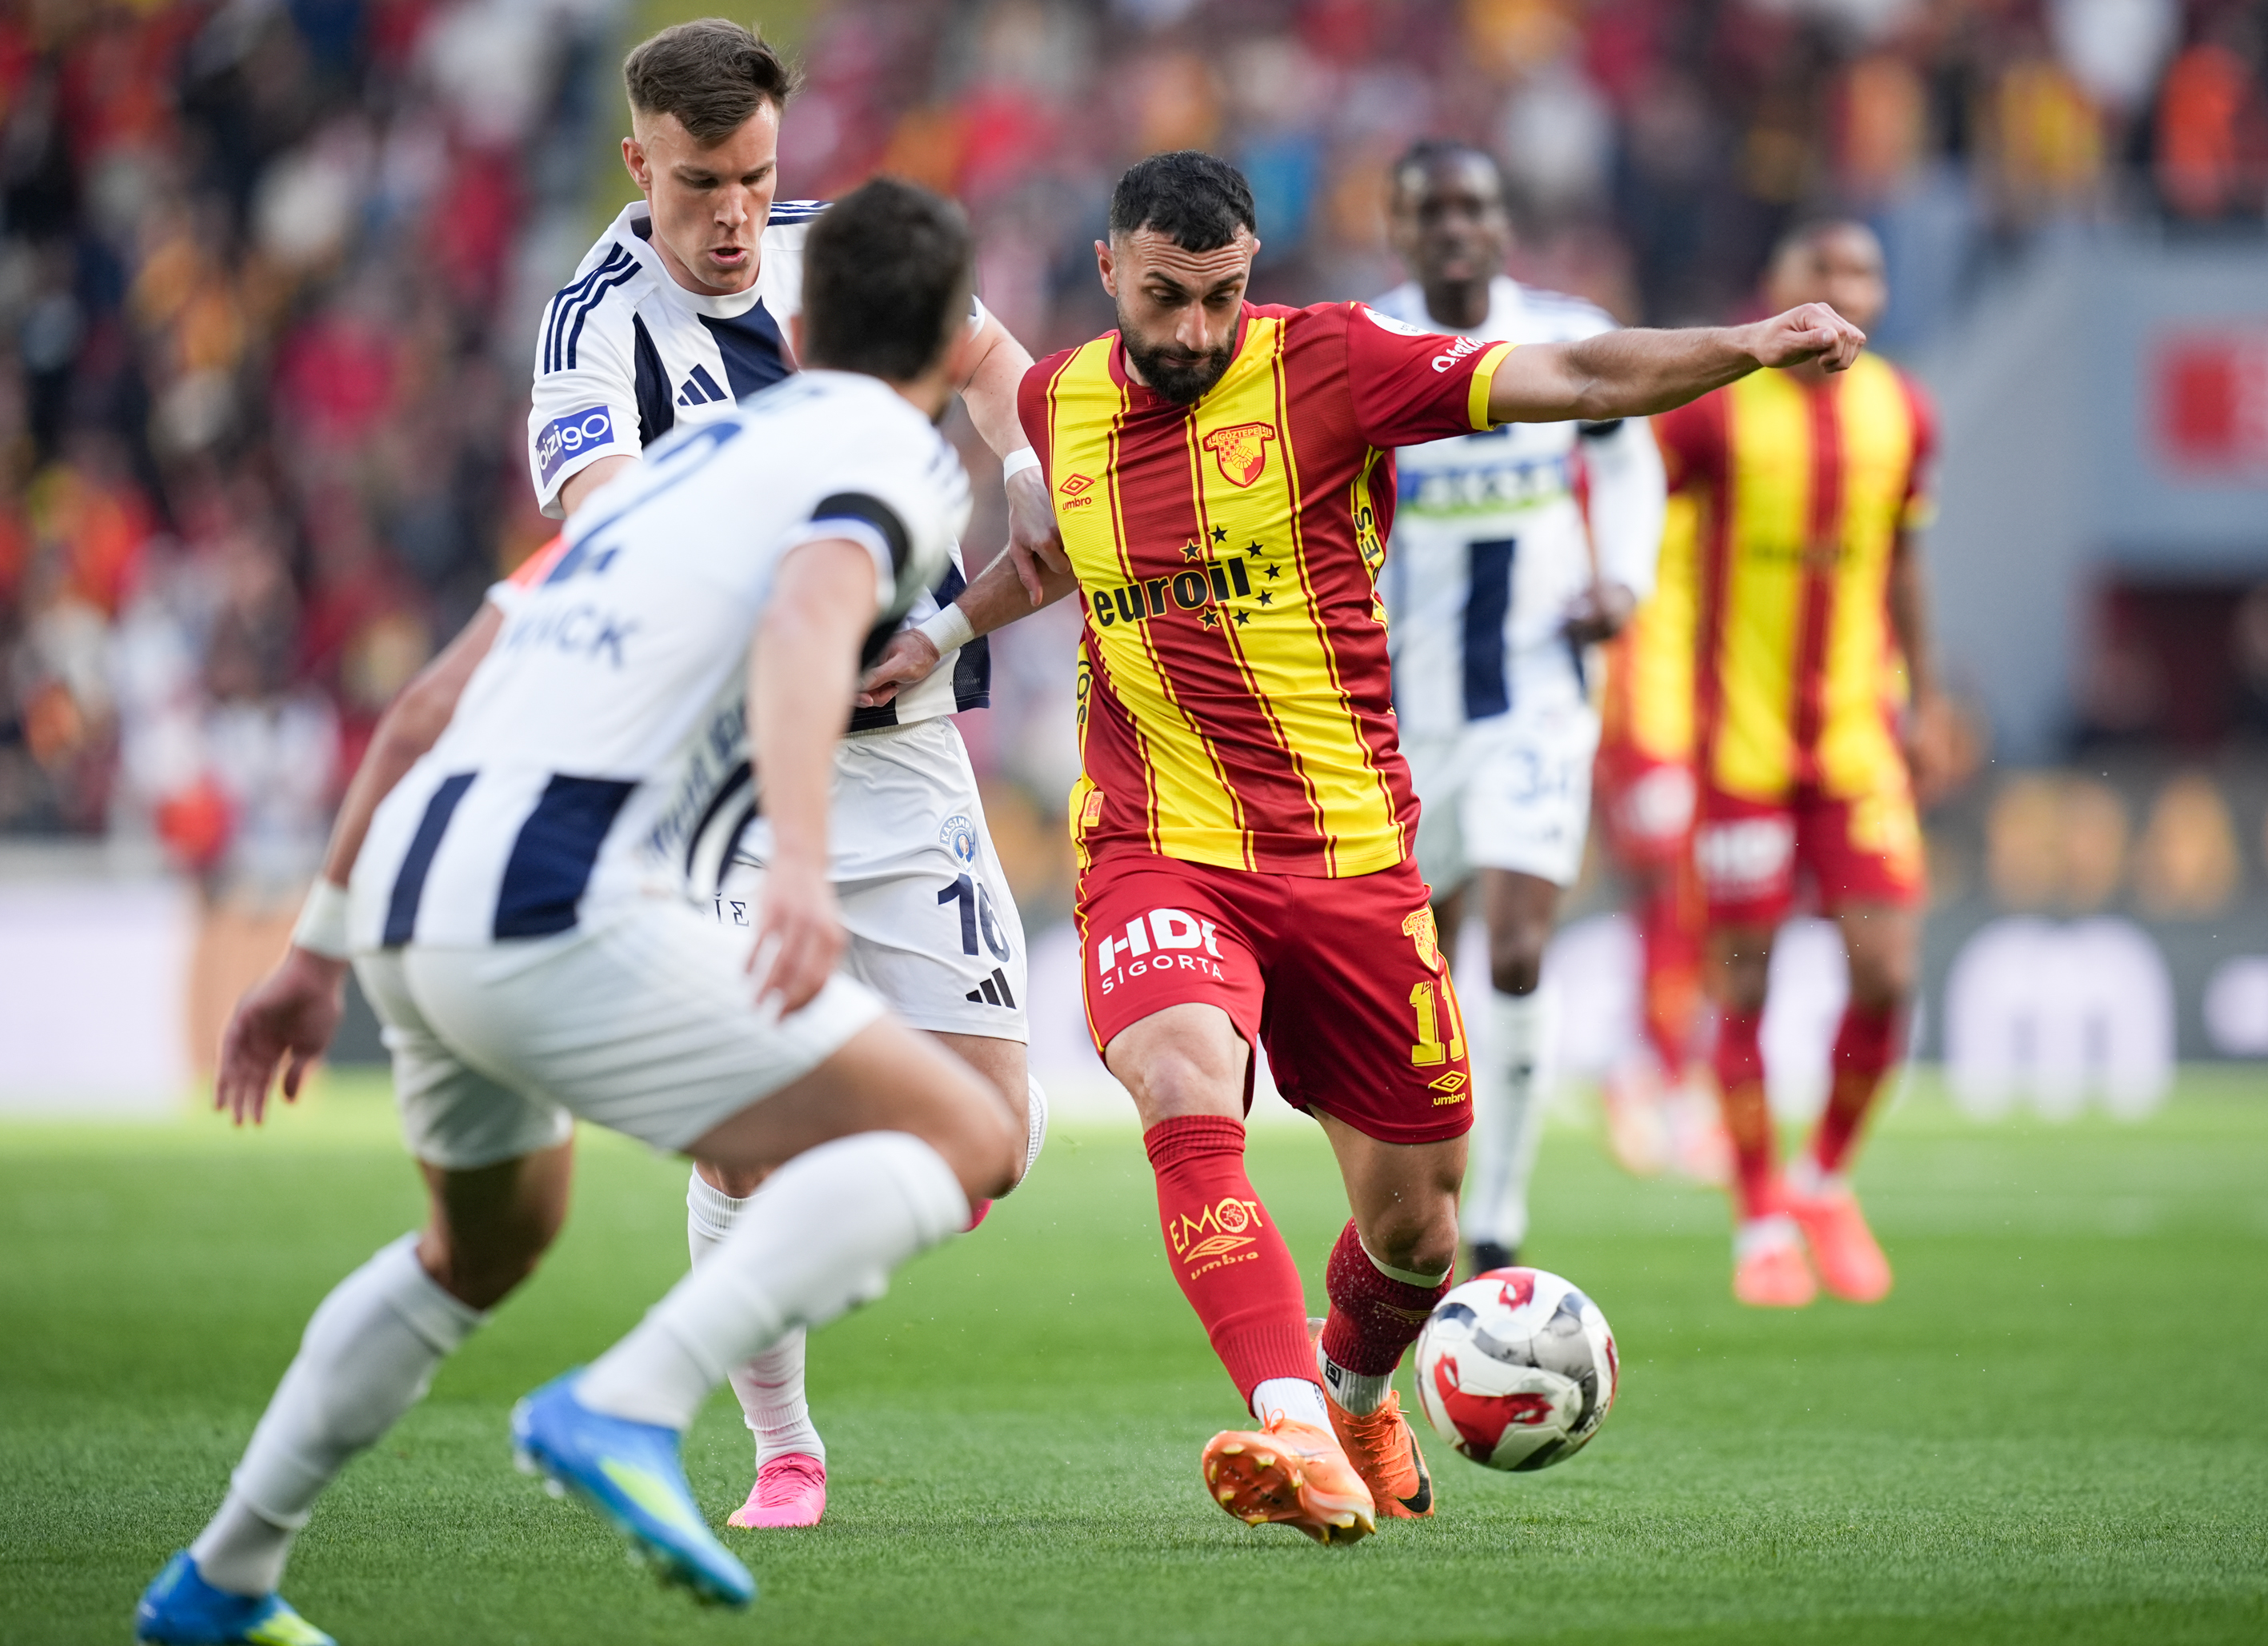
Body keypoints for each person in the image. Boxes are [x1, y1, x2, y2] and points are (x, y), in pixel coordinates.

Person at [862, 150, 1866, 1543]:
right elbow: (1061, 557)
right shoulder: (1056, 399)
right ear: (1108, 272)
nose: (1195, 331)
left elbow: (1575, 376)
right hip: (1157, 839)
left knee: (1417, 1231)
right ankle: (1289, 1426)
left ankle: (1352, 1396)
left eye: (1222, 296)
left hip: (1348, 854)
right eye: (1165, 297)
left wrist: (1747, 345)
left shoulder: (1333, 365)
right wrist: (938, 634)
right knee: (1181, 1081)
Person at [134, 178, 1021, 1646]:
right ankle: (631, 1401)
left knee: (477, 1249)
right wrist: (802, 861)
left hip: (413, 890)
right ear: (942, 348)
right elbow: (815, 620)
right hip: (554, 895)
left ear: (801, 327)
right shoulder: (890, 452)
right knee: (973, 1133)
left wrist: (311, 953)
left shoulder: (665, 470)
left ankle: (222, 1575)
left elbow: (429, 699)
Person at [525, 18, 1056, 1529]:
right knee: (741, 1126)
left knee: (997, 1142)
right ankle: (783, 1446)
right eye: (700, 183)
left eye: (756, 177)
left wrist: (1027, 470)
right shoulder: (592, 330)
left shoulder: (845, 257)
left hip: (909, 755)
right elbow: (616, 528)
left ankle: (837, 1172)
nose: (735, 215)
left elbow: (995, 361)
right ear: (639, 164)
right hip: (734, 784)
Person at [1368, 139, 1667, 1273]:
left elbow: (1629, 459)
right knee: (1421, 969)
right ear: (1399, 229)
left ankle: (1496, 1219)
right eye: (1431, 209)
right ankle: (1418, 1200)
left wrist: (1622, 579)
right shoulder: (1370, 344)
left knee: (1520, 948)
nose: (1456, 226)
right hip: (1401, 712)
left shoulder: (1562, 333)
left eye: (1475, 207)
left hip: (1538, 692)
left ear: (1502, 224)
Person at [1650, 218, 1954, 1308]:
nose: (1842, 289)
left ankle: (1823, 1179)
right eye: (1821, 271)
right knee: (1747, 986)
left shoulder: (1904, 411)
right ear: (1779, 292)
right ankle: (1760, 1218)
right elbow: (1639, 523)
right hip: (1741, 750)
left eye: (1862, 271)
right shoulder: (1716, 413)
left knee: (1889, 972)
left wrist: (1927, 698)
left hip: (1857, 747)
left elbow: (1903, 558)